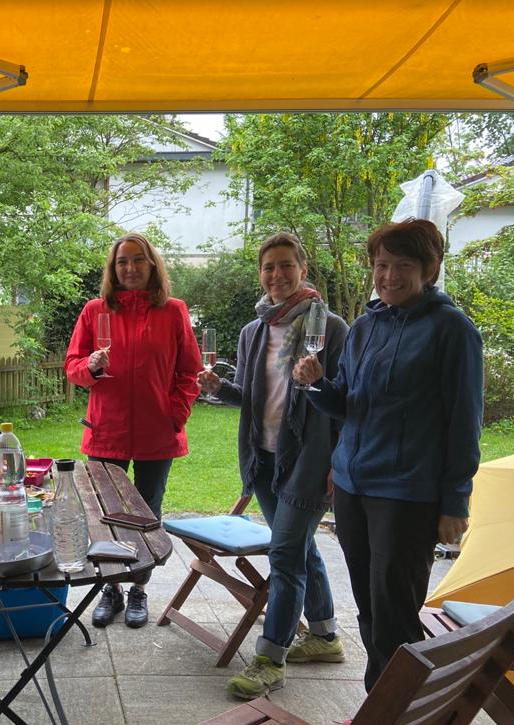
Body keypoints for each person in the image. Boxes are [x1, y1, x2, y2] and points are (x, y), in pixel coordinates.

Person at [293, 218, 483, 693]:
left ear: (430, 268)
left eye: (403, 265)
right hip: (354, 488)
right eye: (382, 265)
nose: (390, 276)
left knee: (395, 612)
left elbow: (465, 421)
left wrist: (455, 501)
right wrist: (316, 382)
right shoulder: (365, 326)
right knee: (370, 608)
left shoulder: (451, 330)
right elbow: (349, 403)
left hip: (407, 492)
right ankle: (382, 711)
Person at [198, 232, 348, 699]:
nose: (277, 275)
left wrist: (335, 464)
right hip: (263, 458)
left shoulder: (334, 329)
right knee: (301, 548)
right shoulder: (253, 331)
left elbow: (345, 403)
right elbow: (247, 395)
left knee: (284, 554)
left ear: (304, 269)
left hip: (309, 459)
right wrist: (219, 389)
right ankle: (324, 636)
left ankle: (269, 658)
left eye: (286, 265)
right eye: (268, 268)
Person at [65, 232, 202, 629]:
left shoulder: (173, 311)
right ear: (113, 269)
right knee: (107, 514)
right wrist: (90, 367)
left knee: (146, 514)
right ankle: (112, 587)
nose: (130, 268)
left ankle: (138, 588)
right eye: (122, 262)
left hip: (157, 433)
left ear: (152, 265)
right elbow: (73, 367)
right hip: (106, 429)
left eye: (138, 260)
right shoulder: (94, 311)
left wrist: (174, 414)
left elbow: (188, 371)